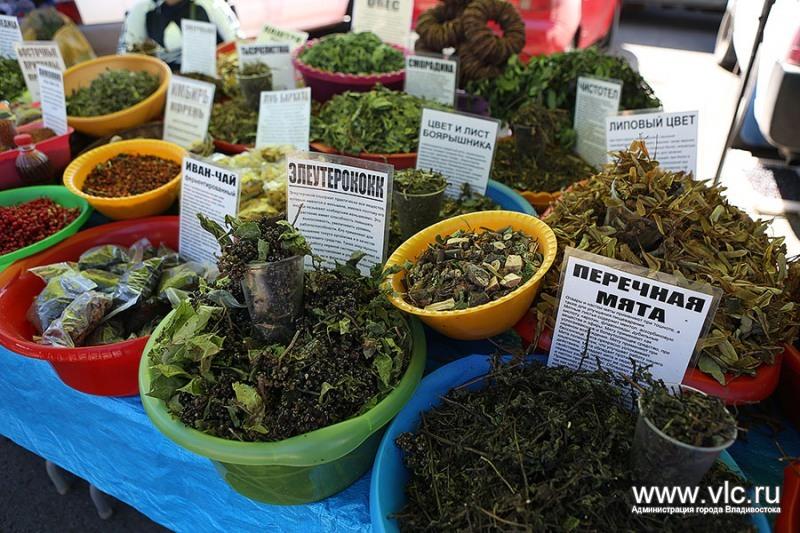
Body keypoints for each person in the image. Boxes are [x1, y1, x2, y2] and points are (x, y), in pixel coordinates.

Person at [117, 0, 240, 69]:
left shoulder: (212, 4)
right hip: (164, 84)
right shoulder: (142, 9)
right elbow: (126, 56)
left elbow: (237, 44)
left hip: (211, 80)